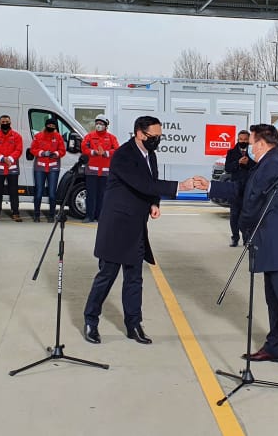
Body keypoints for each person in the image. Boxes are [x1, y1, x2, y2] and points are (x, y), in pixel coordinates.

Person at [197, 123, 278, 378]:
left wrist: (242, 226)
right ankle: (275, 347)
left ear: (262, 144)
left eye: (251, 142)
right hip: (269, 242)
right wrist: (209, 186)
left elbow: (252, 202)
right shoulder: (265, 163)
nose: (249, 147)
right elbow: (244, 190)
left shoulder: (274, 165)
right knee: (274, 300)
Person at [82, 116, 195, 346]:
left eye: (160, 137)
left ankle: (134, 324)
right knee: (107, 276)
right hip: (116, 226)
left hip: (136, 226)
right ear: (139, 134)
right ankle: (91, 320)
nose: (157, 141)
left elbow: (150, 184)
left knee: (134, 278)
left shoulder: (150, 155)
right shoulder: (123, 155)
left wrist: (154, 203)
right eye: (154, 137)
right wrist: (180, 186)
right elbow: (142, 184)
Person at [81, 114, 119, 222]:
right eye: (97, 123)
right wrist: (93, 152)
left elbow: (117, 150)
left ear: (106, 126)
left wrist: (106, 153)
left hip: (105, 172)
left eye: (101, 124)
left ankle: (99, 216)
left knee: (102, 196)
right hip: (91, 172)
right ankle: (89, 216)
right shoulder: (89, 136)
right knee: (91, 195)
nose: (98, 125)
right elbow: (84, 148)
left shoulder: (111, 138)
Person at [0, 115, 23, 222]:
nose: (5, 123)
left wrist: (10, 159)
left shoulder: (16, 136)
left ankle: (16, 213)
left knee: (13, 192)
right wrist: (2, 158)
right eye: (3, 121)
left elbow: (19, 149)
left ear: (10, 122)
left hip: (12, 168)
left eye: (6, 121)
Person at [31, 117, 66, 223]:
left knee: (52, 193)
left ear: (55, 127)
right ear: (46, 125)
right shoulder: (38, 136)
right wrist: (42, 153)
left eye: (53, 126)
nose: (51, 127)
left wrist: (55, 154)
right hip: (40, 168)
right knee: (39, 192)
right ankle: (36, 215)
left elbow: (62, 150)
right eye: (49, 125)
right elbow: (33, 149)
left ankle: (51, 215)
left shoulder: (58, 137)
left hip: (53, 168)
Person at [224, 130, 255, 247]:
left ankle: (247, 239)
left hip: (248, 188)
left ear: (249, 140)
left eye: (245, 139)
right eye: (241, 139)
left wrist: (248, 163)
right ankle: (235, 238)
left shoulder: (253, 153)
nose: (243, 141)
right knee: (234, 214)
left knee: (247, 214)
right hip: (235, 188)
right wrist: (238, 162)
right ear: (238, 140)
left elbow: (257, 167)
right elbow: (227, 168)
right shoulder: (231, 152)